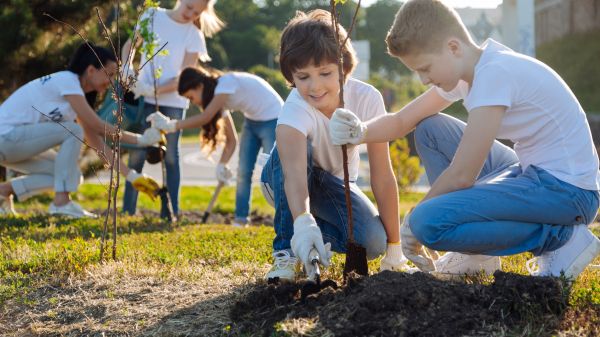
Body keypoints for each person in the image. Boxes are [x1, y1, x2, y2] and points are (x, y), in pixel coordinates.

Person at [328, 0, 600, 279]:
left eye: (425, 68)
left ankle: (561, 239)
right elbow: (401, 121)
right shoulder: (475, 68)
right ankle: (476, 257)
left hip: (568, 191)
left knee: (428, 223)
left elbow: (462, 175)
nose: (422, 80)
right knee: (430, 129)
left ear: (453, 47)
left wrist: (413, 221)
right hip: (533, 172)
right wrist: (360, 131)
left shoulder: (494, 75)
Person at [256, 9, 409, 282]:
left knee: (373, 242)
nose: (315, 87)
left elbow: (383, 175)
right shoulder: (294, 110)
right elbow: (292, 173)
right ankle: (286, 250)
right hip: (284, 181)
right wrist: (302, 221)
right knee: (291, 150)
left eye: (325, 73)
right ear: (291, 76)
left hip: (331, 187)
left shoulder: (367, 100)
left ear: (344, 68)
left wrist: (395, 248)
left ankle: (310, 236)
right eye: (303, 77)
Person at [0, 43, 162, 218]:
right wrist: (141, 140)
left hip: (13, 146)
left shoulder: (76, 98)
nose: (112, 81)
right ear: (91, 70)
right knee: (73, 130)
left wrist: (131, 176)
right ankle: (61, 203)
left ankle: (3, 191)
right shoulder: (67, 80)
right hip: (5, 138)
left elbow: (96, 142)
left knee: (73, 176)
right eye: (110, 74)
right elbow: (99, 126)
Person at [121, 0, 224, 219]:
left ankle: (171, 212)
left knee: (170, 157)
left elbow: (184, 78)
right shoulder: (151, 16)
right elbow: (131, 46)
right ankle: (127, 210)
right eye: (189, 7)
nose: (191, 14)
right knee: (138, 153)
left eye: (197, 12)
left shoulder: (194, 35)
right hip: (143, 97)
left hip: (175, 102)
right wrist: (126, 68)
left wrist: (151, 89)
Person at [147, 66, 283, 226]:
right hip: (252, 121)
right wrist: (222, 165)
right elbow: (231, 140)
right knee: (243, 173)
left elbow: (205, 117)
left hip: (274, 118)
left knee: (273, 174)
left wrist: (171, 125)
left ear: (199, 86)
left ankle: (283, 220)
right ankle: (240, 220)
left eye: (191, 97)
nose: (193, 102)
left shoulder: (225, 84)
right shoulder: (218, 99)